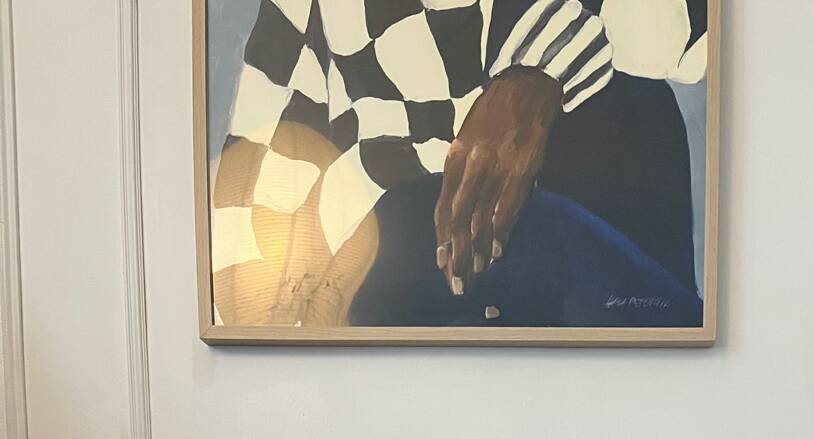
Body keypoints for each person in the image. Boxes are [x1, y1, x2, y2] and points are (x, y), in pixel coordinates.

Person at [210, 0, 708, 330]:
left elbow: (686, 43)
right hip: (401, 287)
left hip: (586, 237)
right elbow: (260, 174)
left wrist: (537, 74)